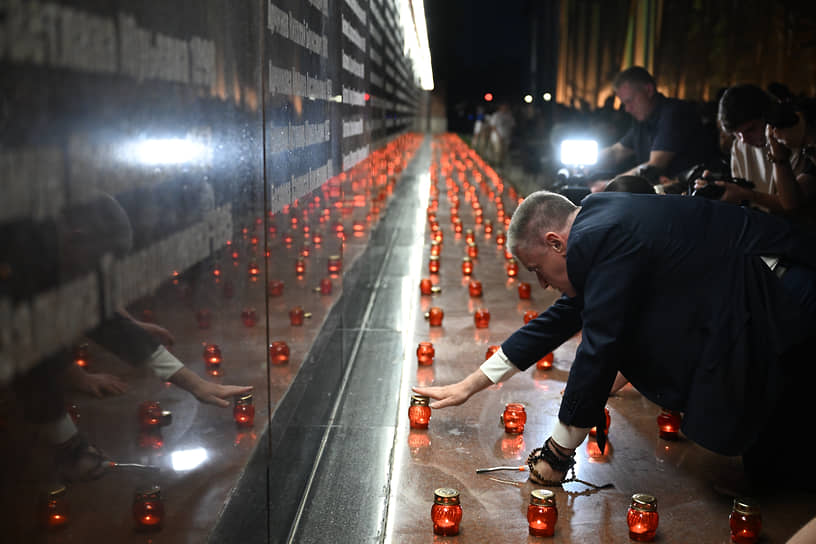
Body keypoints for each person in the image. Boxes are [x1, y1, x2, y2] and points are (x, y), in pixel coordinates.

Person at [414, 190, 816, 490]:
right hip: (760, 297)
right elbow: (556, 321)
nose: (540, 282)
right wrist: (471, 384)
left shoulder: (599, 237)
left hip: (784, 293)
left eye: (537, 268)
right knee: (772, 461)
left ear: (556, 242)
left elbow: (601, 346)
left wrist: (558, 452)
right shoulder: (594, 224)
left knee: (782, 456)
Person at [698, 84, 815, 212]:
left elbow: (791, 204)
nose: (744, 140)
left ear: (768, 117)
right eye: (738, 134)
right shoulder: (739, 145)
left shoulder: (793, 138)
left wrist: (745, 194)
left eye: (750, 129)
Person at [596, 67, 712, 184]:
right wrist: (586, 162)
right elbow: (616, 152)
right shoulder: (643, 120)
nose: (627, 109)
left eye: (630, 101)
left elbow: (655, 166)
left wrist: (610, 184)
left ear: (649, 90)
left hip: (685, 196)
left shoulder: (674, 112)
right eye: (624, 103)